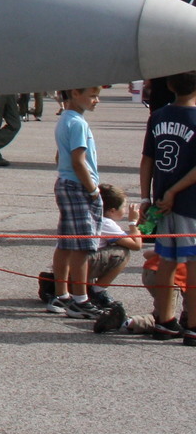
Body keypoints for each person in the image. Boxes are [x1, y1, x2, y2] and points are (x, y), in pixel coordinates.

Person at [140, 69, 196, 345]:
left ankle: (165, 320)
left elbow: (147, 160)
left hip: (161, 202)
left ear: (170, 85)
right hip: (189, 202)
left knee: (167, 262)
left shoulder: (158, 115)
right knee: (194, 262)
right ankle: (194, 325)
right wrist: (175, 190)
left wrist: (145, 198)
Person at [47, 87, 103, 317]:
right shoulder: (78, 123)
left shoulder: (65, 119)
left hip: (65, 182)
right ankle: (80, 298)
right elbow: (79, 161)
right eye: (92, 96)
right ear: (75, 93)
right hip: (78, 186)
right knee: (82, 245)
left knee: (66, 242)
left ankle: (61, 295)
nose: (96, 100)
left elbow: (60, 156)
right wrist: (92, 190)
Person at [83, 184, 142, 325]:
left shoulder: (87, 214)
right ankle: (98, 290)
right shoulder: (106, 223)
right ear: (112, 210)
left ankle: (85, 287)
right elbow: (136, 245)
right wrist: (133, 223)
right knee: (123, 252)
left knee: (110, 245)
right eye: (124, 208)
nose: (125, 211)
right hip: (83, 264)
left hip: (71, 263)